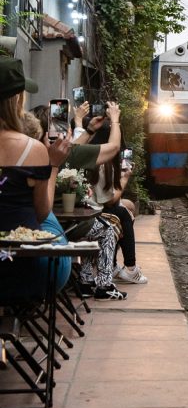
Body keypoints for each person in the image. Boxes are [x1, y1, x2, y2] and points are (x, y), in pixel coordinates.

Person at [26, 107, 127, 301]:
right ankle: (103, 285)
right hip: (57, 227)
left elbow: (72, 150)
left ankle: (86, 281)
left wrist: (89, 130)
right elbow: (113, 148)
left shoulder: (28, 151)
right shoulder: (62, 155)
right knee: (107, 228)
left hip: (26, 227)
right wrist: (115, 120)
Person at [0, 60, 71, 301]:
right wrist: (53, 166)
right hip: (18, 270)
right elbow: (41, 212)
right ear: (17, 99)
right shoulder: (32, 149)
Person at [86, 115, 148, 285]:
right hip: (92, 212)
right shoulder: (103, 163)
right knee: (123, 212)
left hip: (88, 206)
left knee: (126, 206)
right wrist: (125, 177)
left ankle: (113, 264)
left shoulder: (86, 153)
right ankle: (130, 268)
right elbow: (111, 200)